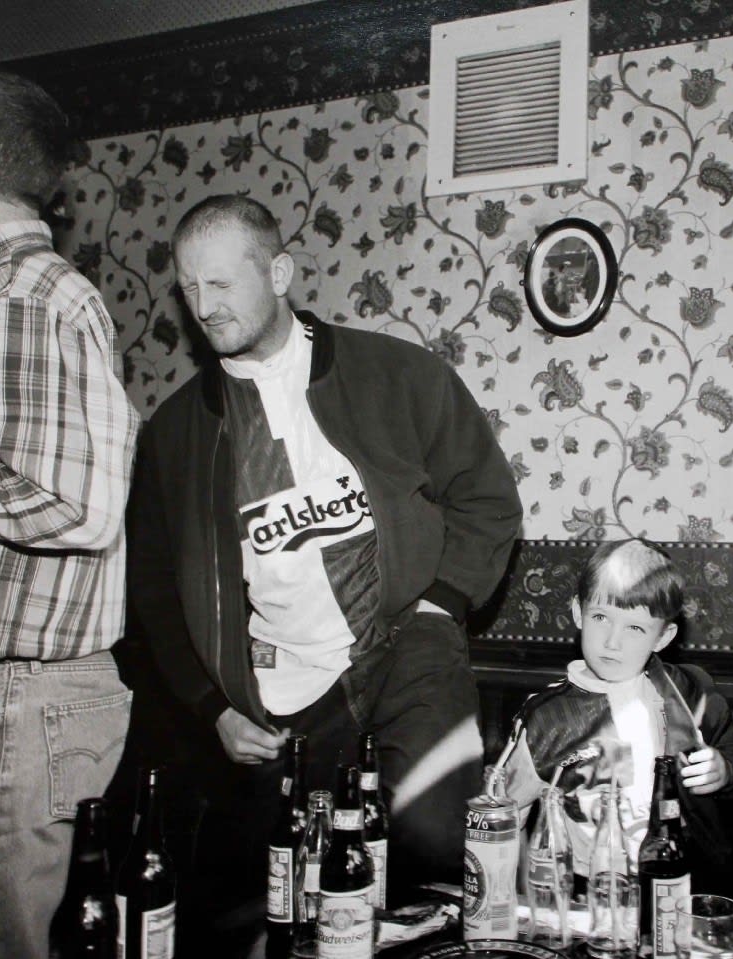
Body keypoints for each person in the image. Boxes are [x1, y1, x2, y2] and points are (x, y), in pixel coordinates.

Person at [125, 194, 522, 944]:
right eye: (190, 288)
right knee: (281, 903)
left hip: (407, 653)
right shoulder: (175, 432)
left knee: (436, 856)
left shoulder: (396, 373)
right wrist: (213, 706)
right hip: (282, 699)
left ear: (279, 273)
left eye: (222, 283)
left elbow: (486, 497)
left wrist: (441, 605)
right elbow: (152, 589)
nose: (204, 308)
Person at [0, 71, 140, 959]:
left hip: (23, 695)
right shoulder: (22, 291)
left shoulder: (24, 293)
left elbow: (75, 507)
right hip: (23, 695)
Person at [500, 538, 733, 904]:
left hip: (683, 887)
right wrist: (521, 903)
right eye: (601, 618)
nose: (612, 642)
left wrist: (727, 769)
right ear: (578, 613)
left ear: (663, 636)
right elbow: (507, 815)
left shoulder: (687, 692)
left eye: (635, 628)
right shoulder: (545, 718)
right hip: (586, 895)